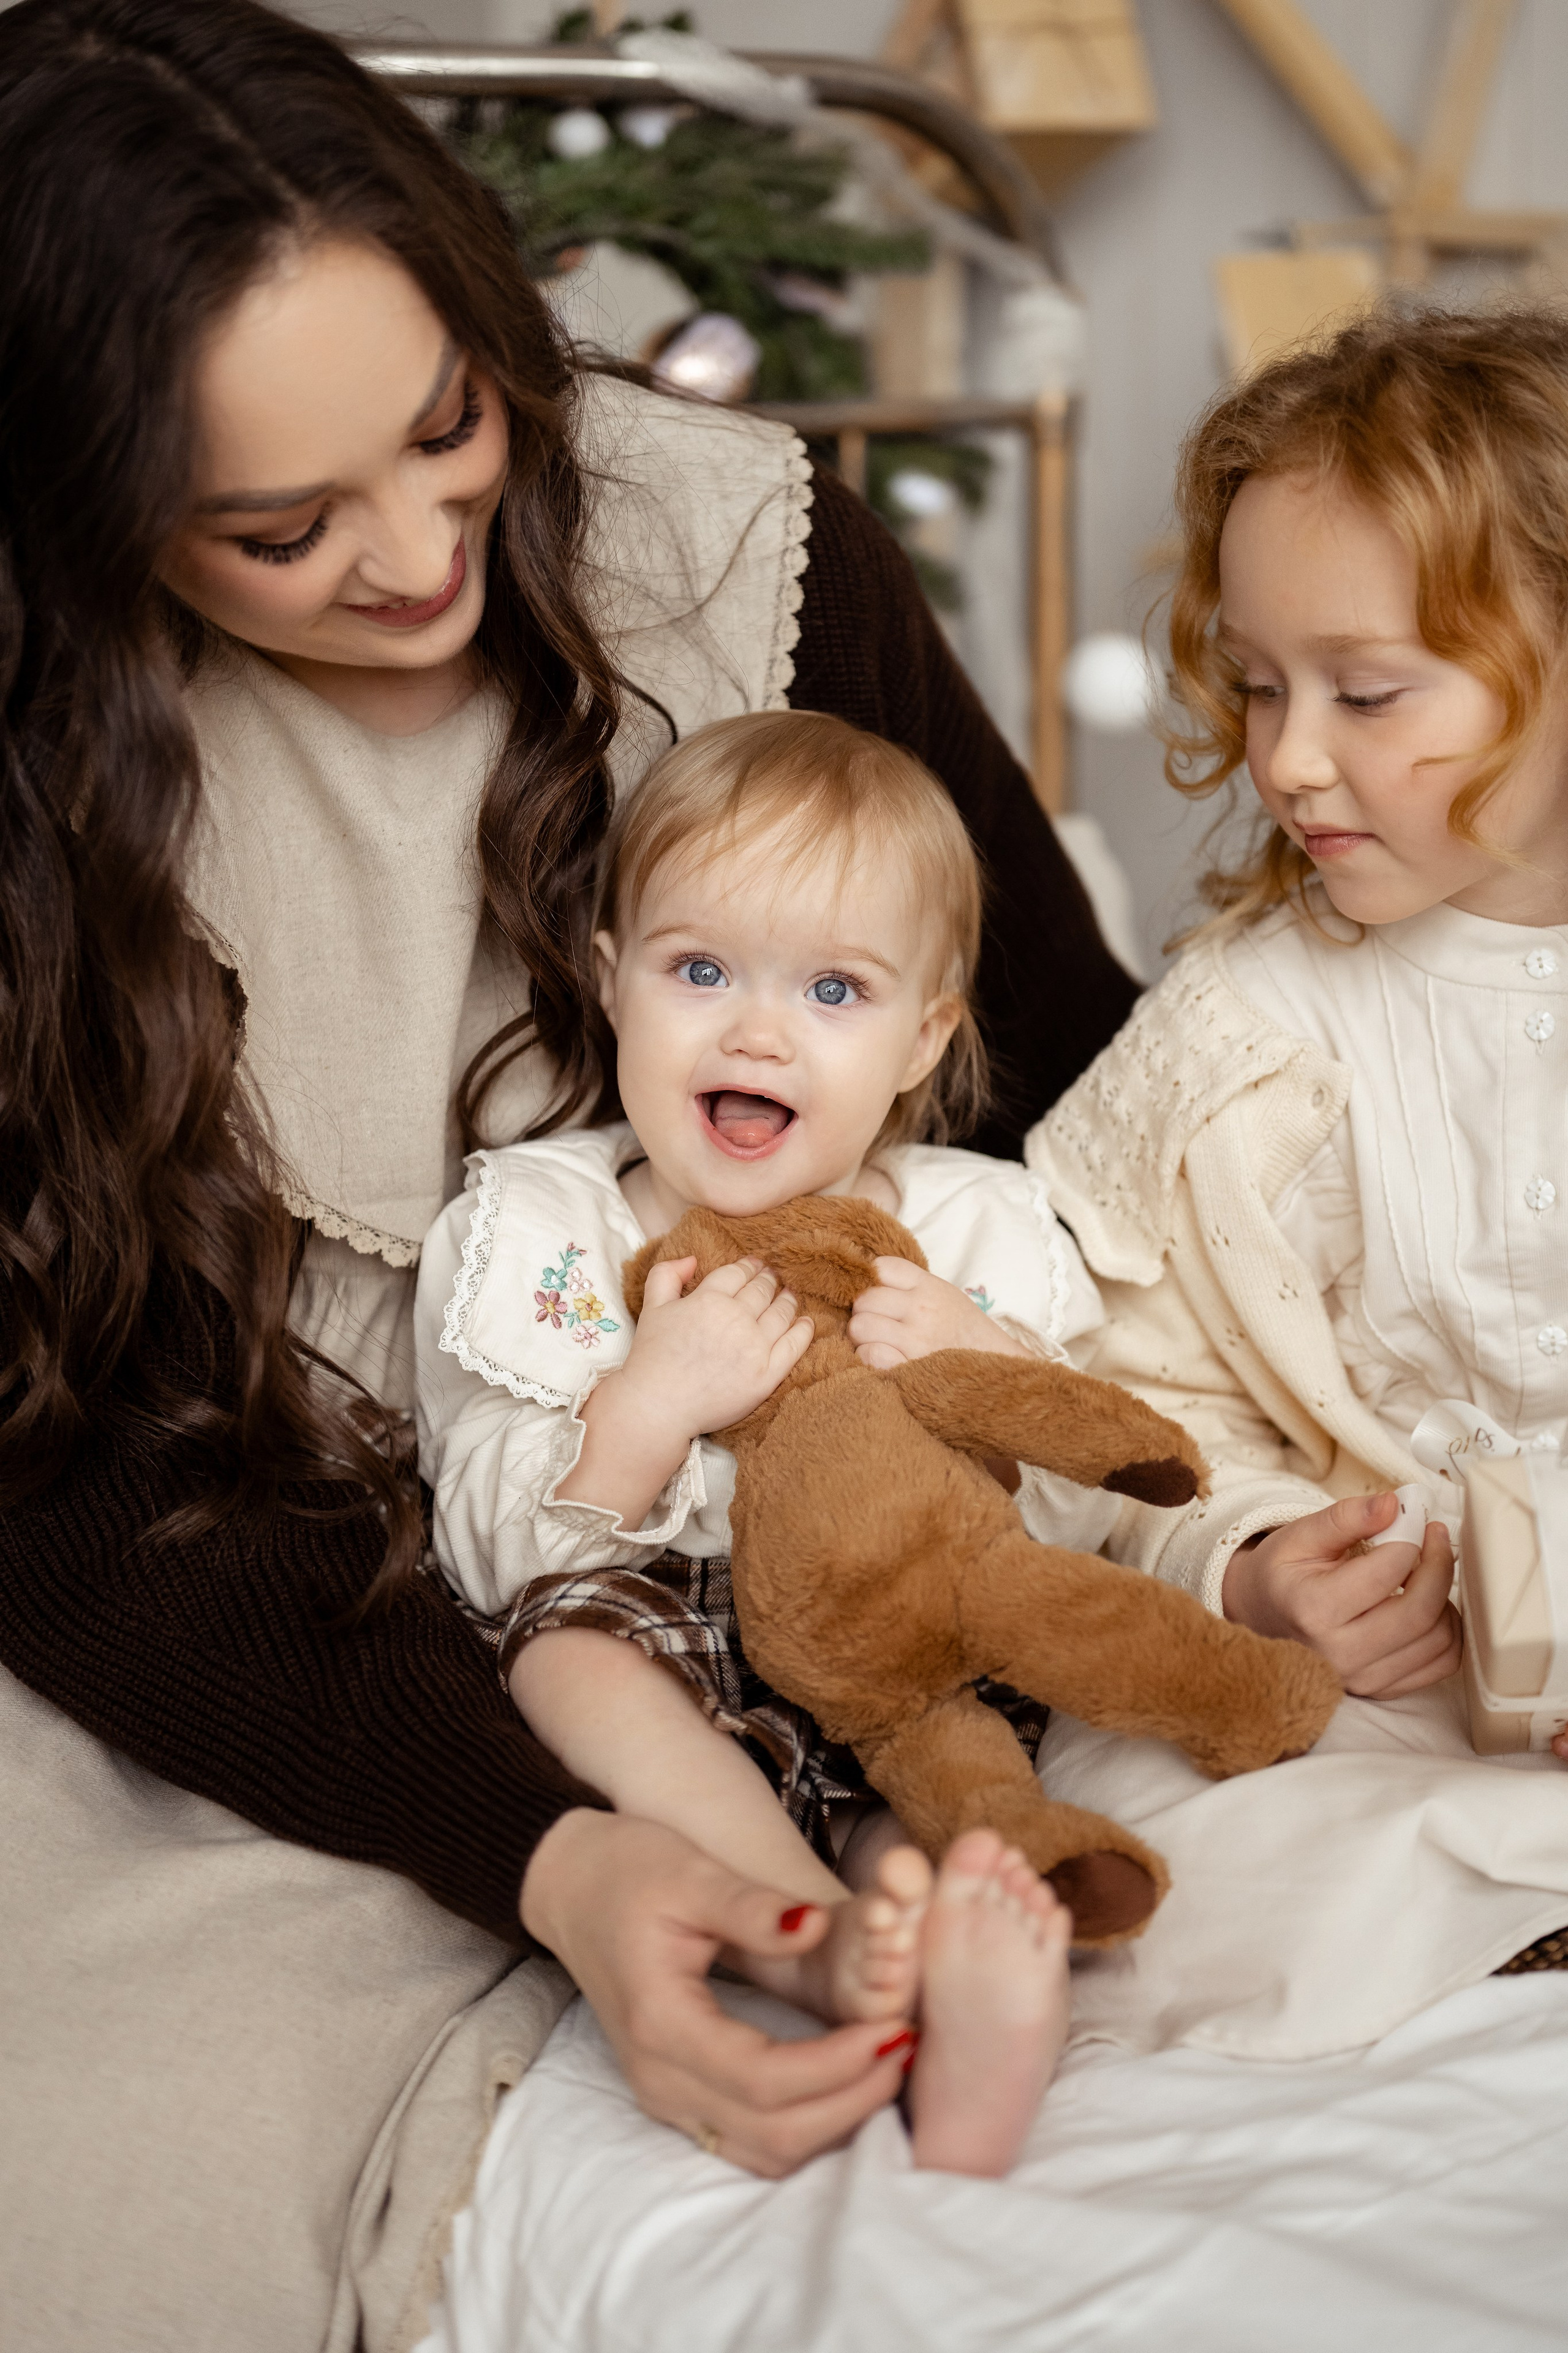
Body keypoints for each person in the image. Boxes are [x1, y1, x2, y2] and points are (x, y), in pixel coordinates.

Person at [0, 1, 1140, 2333]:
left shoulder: (741, 550)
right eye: (281, 525)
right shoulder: (44, 772)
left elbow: (1057, 1068)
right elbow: (62, 1478)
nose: (423, 553)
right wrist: (555, 1861)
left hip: (795, 1524)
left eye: (452, 429)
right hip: (255, 1580)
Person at [418, 709, 1109, 2175]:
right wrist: (645, 1406)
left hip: (892, 1649)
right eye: (700, 969)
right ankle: (804, 1925)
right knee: (565, 1657)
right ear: (611, 986)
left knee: (941, 1805)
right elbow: (482, 1543)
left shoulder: (967, 1233)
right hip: (667, 1647)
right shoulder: (547, 1226)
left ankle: (960, 1977)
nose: (755, 1029)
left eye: (835, 989)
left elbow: (1076, 1520)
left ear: (926, 1031)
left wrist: (981, 1373)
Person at [1024, 308, 1568, 2031]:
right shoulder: (1242, 1035)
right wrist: (1254, 1565)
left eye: (1368, 689)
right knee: (1169, 1845)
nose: (1290, 758)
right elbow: (1099, 1390)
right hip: (1375, 1687)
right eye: (1258, 683)